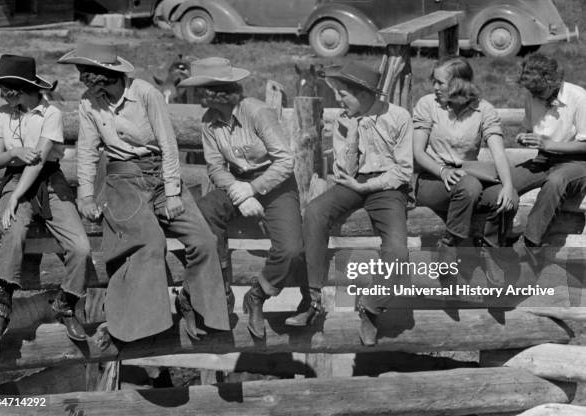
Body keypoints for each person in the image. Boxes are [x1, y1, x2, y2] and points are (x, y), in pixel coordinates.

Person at [57, 43, 230, 343]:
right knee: (150, 242)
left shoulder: (145, 94)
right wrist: (85, 195)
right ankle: (136, 327)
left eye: (86, 72)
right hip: (123, 181)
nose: (82, 78)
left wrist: (174, 193)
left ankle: (190, 299)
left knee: (204, 240)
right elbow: (86, 150)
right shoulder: (89, 103)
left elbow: (168, 144)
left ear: (105, 73)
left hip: (162, 177)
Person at [177, 57, 307, 339]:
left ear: (216, 92)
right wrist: (237, 190)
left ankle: (258, 294)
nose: (198, 95)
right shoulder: (209, 121)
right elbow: (214, 167)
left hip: (275, 182)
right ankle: (220, 295)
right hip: (236, 182)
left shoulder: (256, 112)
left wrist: (253, 189)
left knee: (292, 250)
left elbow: (285, 162)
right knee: (203, 213)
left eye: (202, 89)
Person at [288, 61, 413, 346]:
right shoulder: (344, 119)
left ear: (365, 94)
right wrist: (352, 135)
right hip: (352, 183)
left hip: (387, 186)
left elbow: (403, 170)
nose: (340, 99)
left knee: (396, 251)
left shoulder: (399, 117)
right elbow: (342, 169)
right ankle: (313, 298)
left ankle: (371, 307)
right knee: (315, 211)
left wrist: (367, 185)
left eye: (344, 94)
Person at [0, 54, 91, 340]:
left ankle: (66, 304)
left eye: (5, 86)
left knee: (80, 247)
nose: (1, 91)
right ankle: (2, 304)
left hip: (49, 181)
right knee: (13, 230)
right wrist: (14, 153)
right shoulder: (3, 114)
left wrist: (16, 197)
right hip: (15, 177)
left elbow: (39, 162)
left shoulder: (50, 114)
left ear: (19, 87)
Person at [412, 56, 517, 284]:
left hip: (468, 175)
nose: (435, 87)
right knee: (470, 187)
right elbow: (418, 152)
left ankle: (491, 252)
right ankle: (449, 246)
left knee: (509, 199)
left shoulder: (484, 110)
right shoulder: (428, 104)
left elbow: (498, 152)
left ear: (458, 83)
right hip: (432, 177)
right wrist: (442, 171)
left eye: (440, 82)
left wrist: (508, 186)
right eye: (435, 82)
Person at [512, 53, 586, 264]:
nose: (537, 97)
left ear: (552, 81)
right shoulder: (533, 94)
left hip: (578, 162)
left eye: (540, 92)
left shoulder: (579, 97)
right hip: (544, 158)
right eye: (532, 92)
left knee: (555, 181)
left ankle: (530, 242)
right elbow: (527, 127)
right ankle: (491, 238)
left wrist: (550, 145)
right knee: (506, 181)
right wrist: (523, 136)